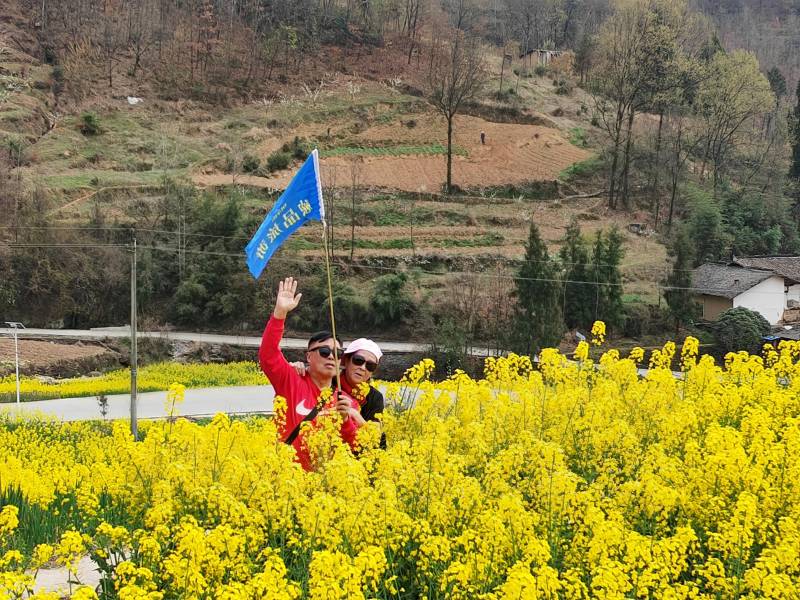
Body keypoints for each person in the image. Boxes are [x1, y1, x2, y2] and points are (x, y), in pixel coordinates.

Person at [259, 276, 361, 470]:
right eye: (324, 352)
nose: (331, 357)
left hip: (322, 489)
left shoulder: (346, 401)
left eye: (337, 353)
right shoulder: (290, 380)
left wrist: (346, 420)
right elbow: (268, 355)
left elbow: (353, 448)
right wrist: (280, 313)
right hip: (284, 480)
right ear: (309, 357)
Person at [291, 337, 387, 449]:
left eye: (370, 366)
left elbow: (376, 437)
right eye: (358, 361)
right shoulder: (328, 380)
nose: (362, 368)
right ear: (346, 361)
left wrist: (354, 414)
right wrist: (298, 368)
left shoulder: (374, 397)